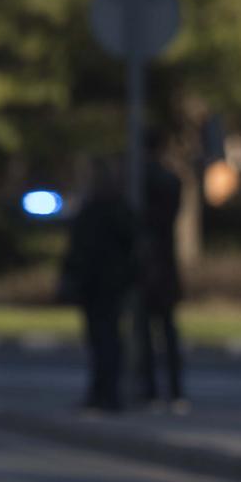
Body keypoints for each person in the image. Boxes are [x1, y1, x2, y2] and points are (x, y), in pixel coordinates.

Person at [61, 165, 136, 415]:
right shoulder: (112, 210)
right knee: (104, 340)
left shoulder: (101, 212)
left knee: (105, 340)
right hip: (102, 284)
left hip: (102, 284)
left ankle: (106, 393)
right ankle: (104, 393)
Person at [133, 135, 188, 414]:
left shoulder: (144, 183)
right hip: (163, 267)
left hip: (152, 267)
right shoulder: (169, 181)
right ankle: (172, 390)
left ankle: (154, 390)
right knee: (164, 332)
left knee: (150, 333)